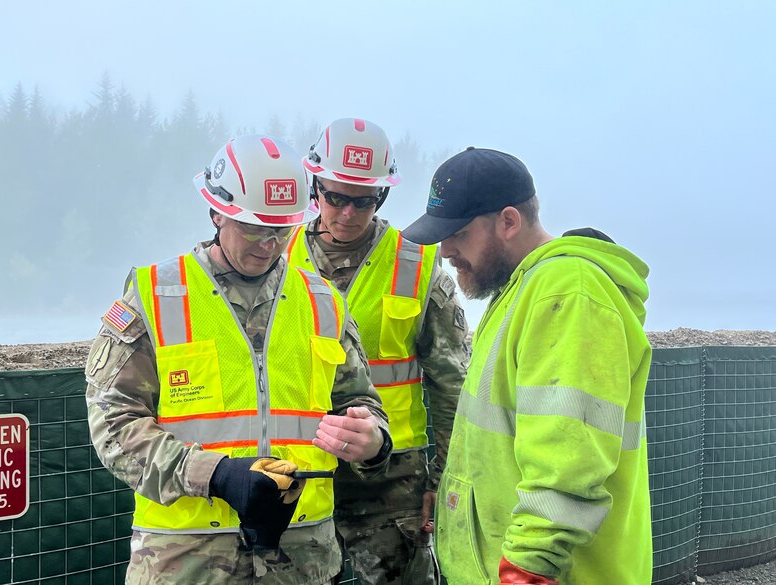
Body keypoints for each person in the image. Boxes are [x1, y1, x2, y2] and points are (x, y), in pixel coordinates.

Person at [85, 134, 393, 585]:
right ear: (216, 212)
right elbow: (111, 421)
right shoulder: (156, 296)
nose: (268, 244)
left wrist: (372, 442)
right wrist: (216, 475)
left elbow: (361, 403)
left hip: (302, 558)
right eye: (254, 227)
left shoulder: (323, 301)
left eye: (281, 229)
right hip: (184, 560)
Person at [401, 147, 653, 585]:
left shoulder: (567, 294)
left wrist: (526, 572)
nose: (445, 252)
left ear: (509, 221)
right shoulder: (520, 291)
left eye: (458, 233)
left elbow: (566, 464)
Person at [286, 118, 468, 585]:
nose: (347, 213)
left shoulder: (419, 267)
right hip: (299, 470)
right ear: (315, 188)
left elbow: (452, 385)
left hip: (394, 479)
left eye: (363, 201)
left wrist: (439, 480)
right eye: (335, 197)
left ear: (381, 197)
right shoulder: (277, 258)